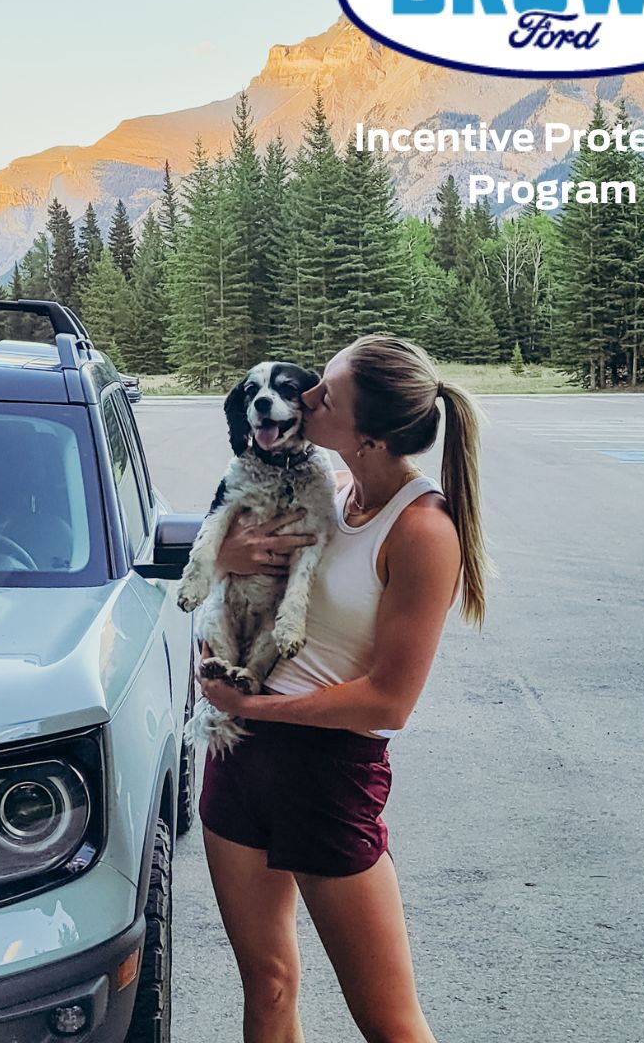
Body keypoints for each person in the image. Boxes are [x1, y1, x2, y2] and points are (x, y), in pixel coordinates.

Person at [196, 334, 493, 1043]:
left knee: (388, 1022)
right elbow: (232, 580)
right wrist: (229, 555)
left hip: (327, 776)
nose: (305, 399)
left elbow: (388, 702)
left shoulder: (423, 530)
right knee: (267, 988)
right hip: (238, 762)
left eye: (324, 394)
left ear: (370, 435)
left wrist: (257, 706)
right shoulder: (328, 492)